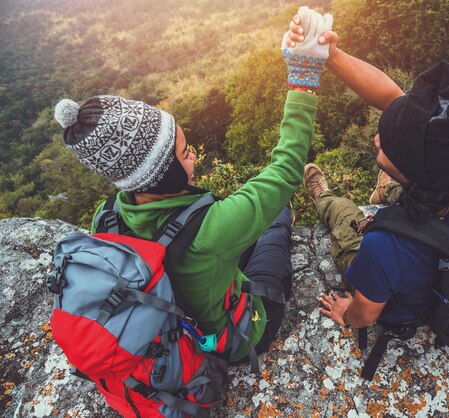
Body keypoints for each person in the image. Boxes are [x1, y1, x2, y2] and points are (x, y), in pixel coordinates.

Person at [52, 6, 332, 367]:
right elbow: (287, 169)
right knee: (276, 219)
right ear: (165, 174)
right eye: (185, 153)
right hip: (232, 338)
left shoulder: (105, 218)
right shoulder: (217, 227)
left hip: (168, 329)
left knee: (243, 236)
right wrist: (303, 78)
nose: (194, 158)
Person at [286, 14, 449, 330]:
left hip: (403, 298)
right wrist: (331, 55)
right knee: (389, 192)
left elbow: (365, 315)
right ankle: (386, 191)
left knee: (343, 212)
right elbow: (392, 98)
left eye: (386, 145)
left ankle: (322, 195)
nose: (377, 139)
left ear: (410, 171)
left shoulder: (384, 247)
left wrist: (346, 312)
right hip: (438, 244)